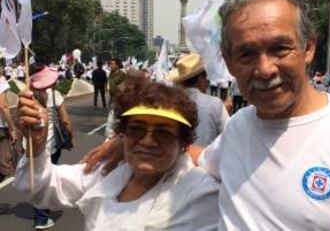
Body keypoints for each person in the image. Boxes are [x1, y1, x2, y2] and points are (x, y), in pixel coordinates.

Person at [82, 0, 330, 230]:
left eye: (280, 49)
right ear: (228, 61)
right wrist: (129, 144)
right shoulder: (239, 127)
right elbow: (199, 158)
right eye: (247, 53)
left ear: (308, 47)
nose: (265, 69)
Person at [14, 71, 219, 231]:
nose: (147, 141)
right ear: (122, 135)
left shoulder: (200, 193)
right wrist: (36, 147)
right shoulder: (108, 172)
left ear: (183, 141)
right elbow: (39, 188)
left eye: (163, 133)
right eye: (136, 129)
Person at [28, 60, 74, 230]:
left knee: (38, 178)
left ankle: (42, 210)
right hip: (50, 145)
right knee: (45, 178)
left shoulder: (26, 94)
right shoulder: (54, 94)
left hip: (31, 145)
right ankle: (41, 217)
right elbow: (65, 120)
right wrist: (70, 138)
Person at [168, 54, 229, 147]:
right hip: (205, 158)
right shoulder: (214, 104)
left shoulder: (169, 102)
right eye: (206, 80)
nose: (207, 83)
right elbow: (228, 133)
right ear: (201, 80)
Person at [0, 68, 18, 183]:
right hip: (0, 128)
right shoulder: (1, 81)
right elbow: (3, 106)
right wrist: (12, 128)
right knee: (5, 164)